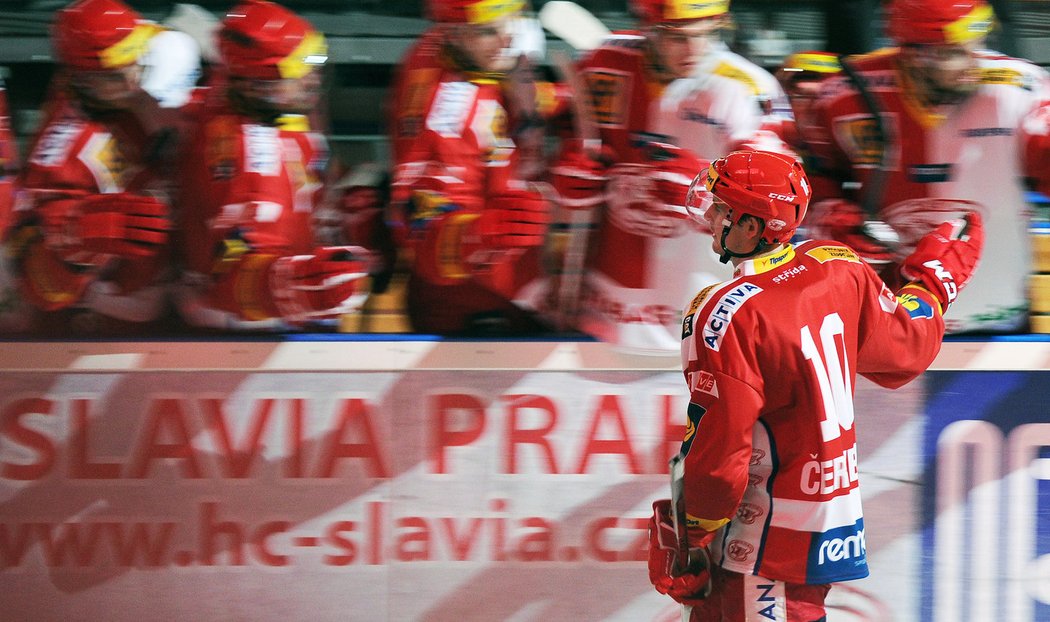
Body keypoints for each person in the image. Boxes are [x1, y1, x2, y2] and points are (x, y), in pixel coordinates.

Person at [646, 149, 984, 620]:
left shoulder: (723, 312)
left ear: (751, 225)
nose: (711, 216)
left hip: (760, 537)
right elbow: (907, 347)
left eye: (722, 209)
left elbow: (722, 453)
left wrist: (693, 533)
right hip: (827, 523)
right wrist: (931, 280)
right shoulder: (838, 266)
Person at [547, 0, 792, 354]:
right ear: (647, 27)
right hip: (600, 319)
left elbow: (780, 207)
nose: (694, 50)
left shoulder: (752, 88)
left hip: (703, 327)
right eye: (676, 37)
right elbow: (546, 153)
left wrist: (706, 190)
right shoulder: (602, 65)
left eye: (707, 33)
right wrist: (562, 178)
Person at [803, 0, 1050, 333]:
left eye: (977, 43)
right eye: (954, 52)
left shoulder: (1023, 89)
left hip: (998, 316)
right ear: (912, 53)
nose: (975, 61)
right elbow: (814, 178)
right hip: (888, 319)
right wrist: (830, 217)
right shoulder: (840, 94)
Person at [3, 0, 200, 335]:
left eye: (136, 61)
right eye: (115, 75)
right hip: (106, 328)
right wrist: (76, 239)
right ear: (83, 79)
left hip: (170, 298)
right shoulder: (66, 152)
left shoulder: (121, 79)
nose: (132, 78)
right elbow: (35, 283)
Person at [174, 0, 372, 331]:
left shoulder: (278, 109)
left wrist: (349, 198)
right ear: (256, 85)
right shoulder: (242, 154)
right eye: (298, 71)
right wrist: (298, 285)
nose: (312, 79)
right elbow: (231, 276)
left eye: (314, 61)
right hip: (251, 332)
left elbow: (308, 183)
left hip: (292, 312)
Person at [387, 0, 559, 335]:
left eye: (514, 21)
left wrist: (557, 101)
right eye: (488, 32)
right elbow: (420, 233)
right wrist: (481, 233)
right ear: (451, 34)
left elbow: (503, 88)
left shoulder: (468, 55)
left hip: (519, 287)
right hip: (474, 304)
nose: (507, 39)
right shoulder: (443, 117)